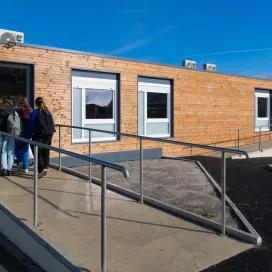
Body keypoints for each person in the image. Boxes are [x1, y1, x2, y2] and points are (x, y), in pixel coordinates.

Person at [28, 97, 55, 179]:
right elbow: (52, 124)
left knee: (37, 152)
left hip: (38, 135)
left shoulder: (34, 113)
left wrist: (28, 136)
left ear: (36, 104)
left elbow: (31, 125)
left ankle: (42, 169)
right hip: (49, 135)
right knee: (46, 151)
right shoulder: (48, 112)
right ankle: (46, 167)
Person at [0, 99, 21, 176]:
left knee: (3, 152)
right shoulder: (14, 111)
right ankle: (10, 170)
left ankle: (4, 169)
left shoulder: (1, 112)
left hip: (3, 134)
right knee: (10, 152)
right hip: (12, 134)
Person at [15, 97, 32, 174]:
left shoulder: (17, 110)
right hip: (27, 133)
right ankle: (26, 168)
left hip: (19, 132)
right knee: (25, 150)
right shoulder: (30, 110)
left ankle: (19, 165)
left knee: (18, 149)